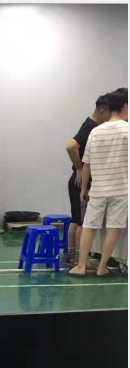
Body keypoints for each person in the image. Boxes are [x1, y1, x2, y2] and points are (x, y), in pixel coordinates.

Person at [69, 88, 128, 277]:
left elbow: (86, 164)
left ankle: (81, 266)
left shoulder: (96, 132)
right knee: (113, 228)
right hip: (121, 190)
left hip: (98, 189)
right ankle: (102, 268)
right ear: (125, 106)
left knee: (89, 226)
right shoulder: (127, 130)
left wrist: (84, 188)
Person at [65, 95, 110, 265]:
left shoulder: (90, 125)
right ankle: (79, 260)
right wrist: (79, 167)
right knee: (82, 222)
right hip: (80, 182)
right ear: (102, 111)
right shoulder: (91, 127)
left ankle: (71, 257)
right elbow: (71, 146)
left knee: (76, 220)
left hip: (75, 182)